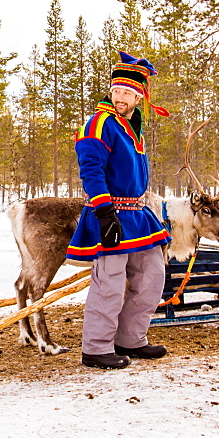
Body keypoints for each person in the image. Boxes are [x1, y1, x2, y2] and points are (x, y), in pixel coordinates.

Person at [66, 51, 172, 370]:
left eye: (127, 93)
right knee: (109, 282)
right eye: (116, 91)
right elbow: (92, 168)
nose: (120, 97)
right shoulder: (101, 123)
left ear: (138, 96)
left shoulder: (131, 127)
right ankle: (96, 347)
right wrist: (104, 212)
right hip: (110, 213)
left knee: (152, 275)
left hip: (137, 215)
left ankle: (130, 338)